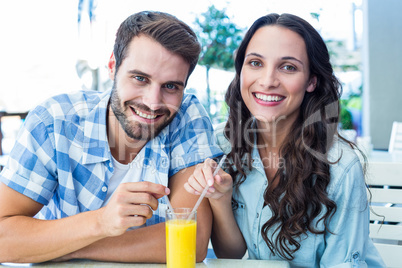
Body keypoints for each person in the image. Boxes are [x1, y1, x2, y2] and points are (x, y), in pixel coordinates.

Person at [0, 11, 222, 263]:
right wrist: (100, 222)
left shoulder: (186, 116)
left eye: (170, 86)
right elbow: (3, 240)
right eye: (140, 78)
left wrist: (66, 246)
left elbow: (191, 242)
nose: (152, 101)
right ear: (112, 67)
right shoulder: (53, 122)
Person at [184, 13, 385, 267]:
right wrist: (220, 200)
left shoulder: (339, 166)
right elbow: (232, 254)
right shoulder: (223, 146)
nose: (267, 81)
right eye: (255, 63)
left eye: (288, 67)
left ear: (312, 81)